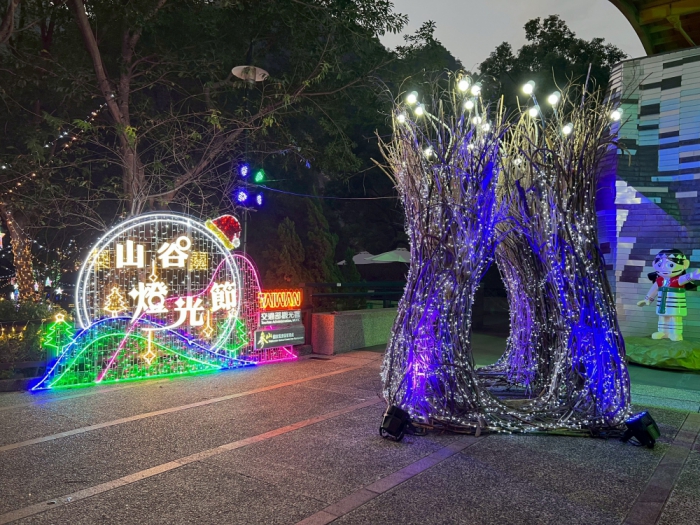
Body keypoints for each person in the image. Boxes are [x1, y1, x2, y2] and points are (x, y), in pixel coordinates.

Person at [637, 249, 700, 341]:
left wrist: (694, 275)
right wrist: (647, 300)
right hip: (662, 304)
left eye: (670, 265)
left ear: (685, 264)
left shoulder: (678, 280)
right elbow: (653, 290)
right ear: (654, 264)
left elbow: (688, 277)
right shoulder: (659, 280)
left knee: (675, 318)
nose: (663, 268)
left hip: (675, 304)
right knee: (662, 318)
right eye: (659, 265)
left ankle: (676, 333)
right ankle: (662, 332)